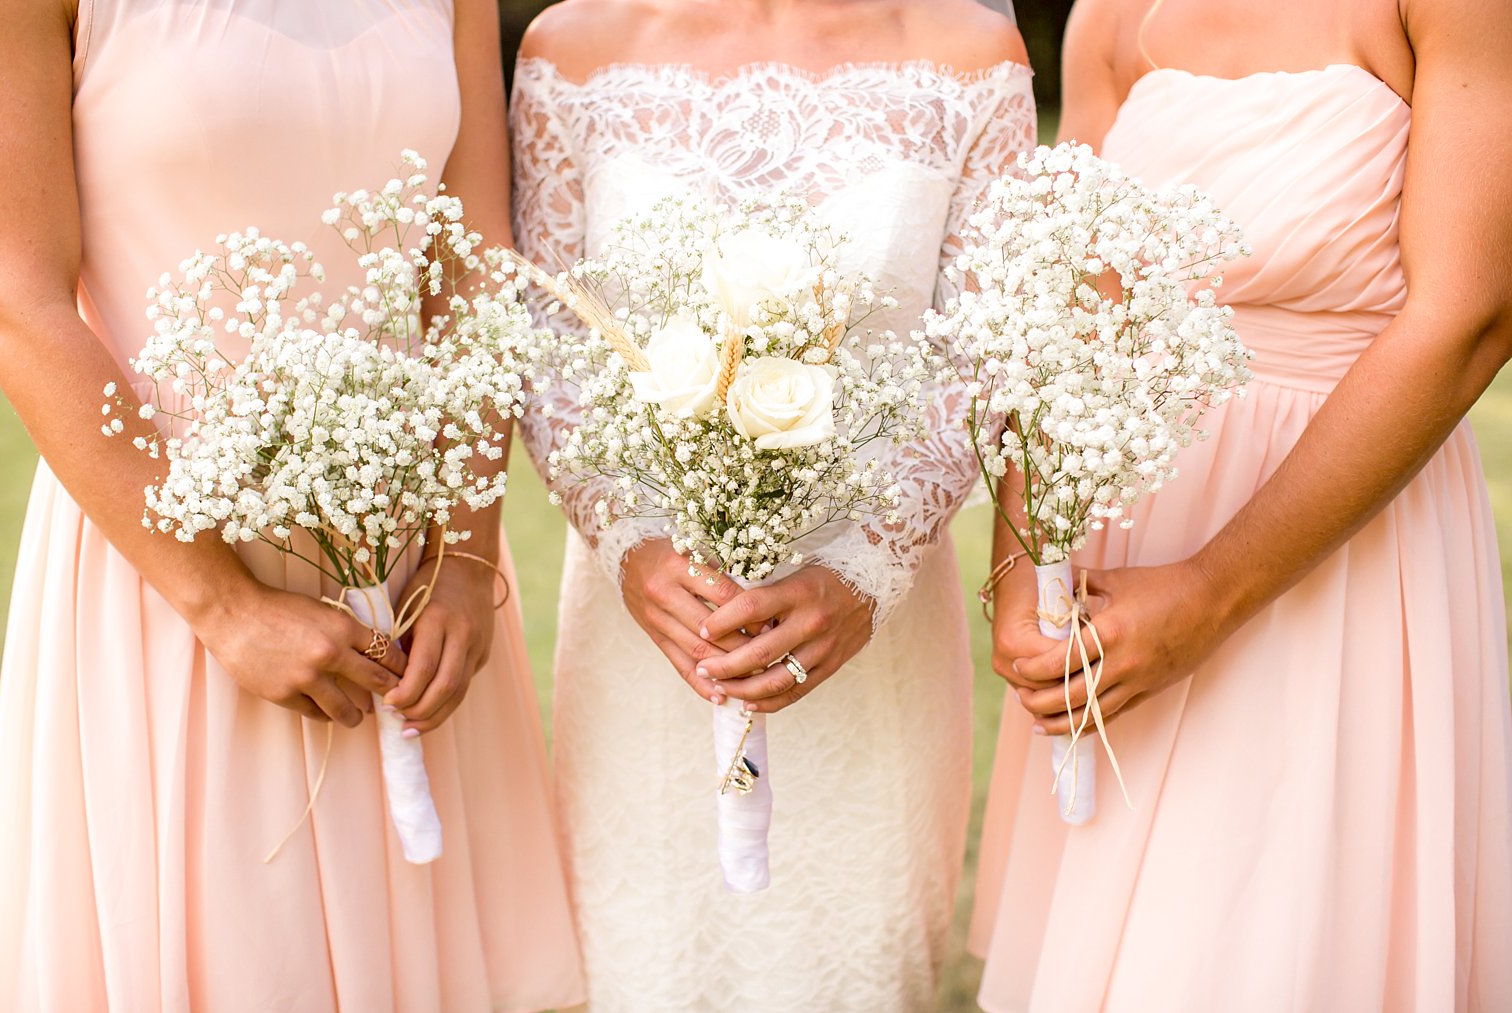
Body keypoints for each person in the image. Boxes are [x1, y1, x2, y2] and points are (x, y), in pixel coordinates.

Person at [0, 1, 583, 1008]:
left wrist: (467, 562)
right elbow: (18, 296)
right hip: (170, 574)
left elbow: (473, 275)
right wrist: (221, 603)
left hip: (415, 587)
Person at [971, 0, 1512, 1008]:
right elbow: (1050, 312)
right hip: (1120, 551)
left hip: (1331, 547)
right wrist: (1017, 567)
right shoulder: (1112, 14)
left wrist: (1210, 589)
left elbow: (1468, 316)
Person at [510, 0, 1034, 1007]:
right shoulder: (573, 50)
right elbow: (547, 339)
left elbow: (979, 351)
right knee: (650, 963)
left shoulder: (966, 58)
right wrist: (630, 543)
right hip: (652, 628)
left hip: (871, 640)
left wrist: (865, 567)